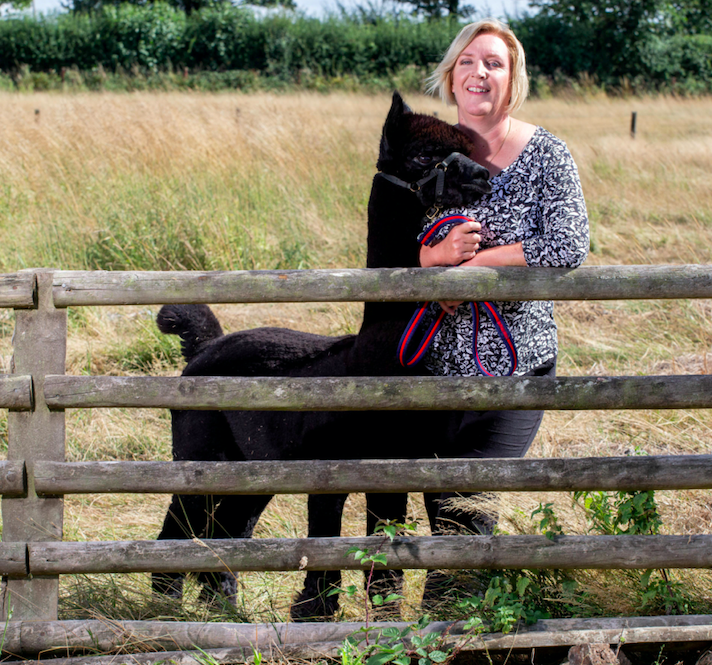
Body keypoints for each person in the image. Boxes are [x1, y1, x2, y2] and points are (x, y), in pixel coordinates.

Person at [417, 19, 590, 543]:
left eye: (494, 63)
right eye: (467, 62)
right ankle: (452, 621)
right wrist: (432, 259)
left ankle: (454, 621)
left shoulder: (546, 154)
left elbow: (569, 244)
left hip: (516, 366)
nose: (479, 73)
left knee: (469, 515)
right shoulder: (425, 153)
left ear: (512, 80)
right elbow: (392, 248)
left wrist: (476, 266)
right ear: (451, 78)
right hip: (433, 370)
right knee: (445, 514)